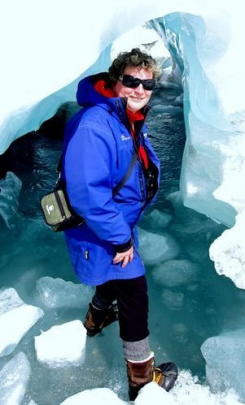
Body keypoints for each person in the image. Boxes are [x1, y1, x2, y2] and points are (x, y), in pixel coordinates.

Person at [61, 48, 177, 400]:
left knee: (113, 279)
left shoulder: (122, 119)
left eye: (147, 83)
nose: (140, 89)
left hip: (115, 225)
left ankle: (95, 320)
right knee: (134, 294)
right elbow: (87, 193)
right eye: (131, 81)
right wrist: (121, 239)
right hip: (104, 230)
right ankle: (141, 378)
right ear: (115, 81)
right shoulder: (96, 124)